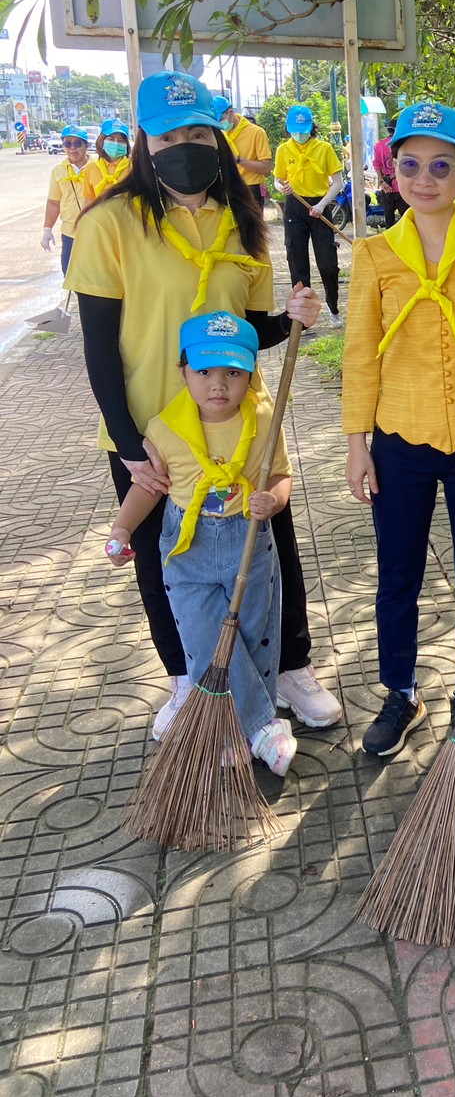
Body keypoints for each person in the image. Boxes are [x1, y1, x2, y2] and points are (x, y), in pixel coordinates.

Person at [65, 70, 343, 740]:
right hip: (152, 430)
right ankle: (187, 678)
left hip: (238, 419)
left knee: (270, 542)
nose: (183, 146)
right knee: (164, 560)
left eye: (196, 132)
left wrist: (293, 317)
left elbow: (251, 330)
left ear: (217, 138)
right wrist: (128, 444)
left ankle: (290, 668)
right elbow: (98, 345)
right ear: (144, 142)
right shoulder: (108, 223)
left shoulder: (243, 221)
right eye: (167, 136)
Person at [343, 102, 455, 756]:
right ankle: (400, 690)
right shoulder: (374, 253)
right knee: (398, 575)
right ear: (393, 172)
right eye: (410, 165)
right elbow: (360, 351)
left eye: (442, 166)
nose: (425, 178)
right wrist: (356, 446)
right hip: (398, 440)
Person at [106, 312, 296, 775]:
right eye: (205, 371)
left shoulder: (264, 419)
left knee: (254, 634)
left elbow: (280, 475)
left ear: (251, 374)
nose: (218, 385)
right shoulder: (165, 428)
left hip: (247, 538)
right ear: (183, 372)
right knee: (203, 637)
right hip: (186, 545)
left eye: (233, 372)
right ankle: (256, 727)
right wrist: (122, 529)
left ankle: (241, 730)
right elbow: (149, 487)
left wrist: (273, 500)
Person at [274, 104, 343, 326]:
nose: (299, 134)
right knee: (298, 264)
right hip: (295, 205)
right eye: (294, 130)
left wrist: (322, 205)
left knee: (328, 264)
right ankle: (302, 319)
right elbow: (278, 179)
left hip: (320, 207)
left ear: (311, 127)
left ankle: (333, 308)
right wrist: (281, 187)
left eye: (302, 130)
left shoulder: (324, 148)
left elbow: (338, 182)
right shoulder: (283, 150)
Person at [42, 125, 90, 272]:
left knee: (95, 274)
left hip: (94, 231)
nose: (72, 148)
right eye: (68, 144)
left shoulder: (98, 167)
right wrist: (47, 229)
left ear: (86, 145)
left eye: (78, 143)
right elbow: (53, 202)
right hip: (70, 233)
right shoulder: (58, 170)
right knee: (68, 271)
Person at [212, 95, 272, 204]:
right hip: (230, 186)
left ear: (231, 112)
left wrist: (238, 160)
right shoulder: (221, 134)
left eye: (220, 119)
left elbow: (266, 168)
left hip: (252, 187)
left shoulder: (257, 132)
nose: (219, 124)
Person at [83, 120, 132, 203]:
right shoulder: (91, 167)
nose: (116, 144)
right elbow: (88, 200)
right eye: (111, 139)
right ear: (101, 141)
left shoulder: (134, 166)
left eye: (121, 140)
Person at [372, 126, 402, 228]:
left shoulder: (379, 145)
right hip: (401, 188)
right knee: (407, 220)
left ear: (388, 130)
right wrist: (391, 177)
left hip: (386, 188)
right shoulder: (401, 143)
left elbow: (376, 164)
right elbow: (403, 166)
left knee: (389, 222)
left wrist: (383, 182)